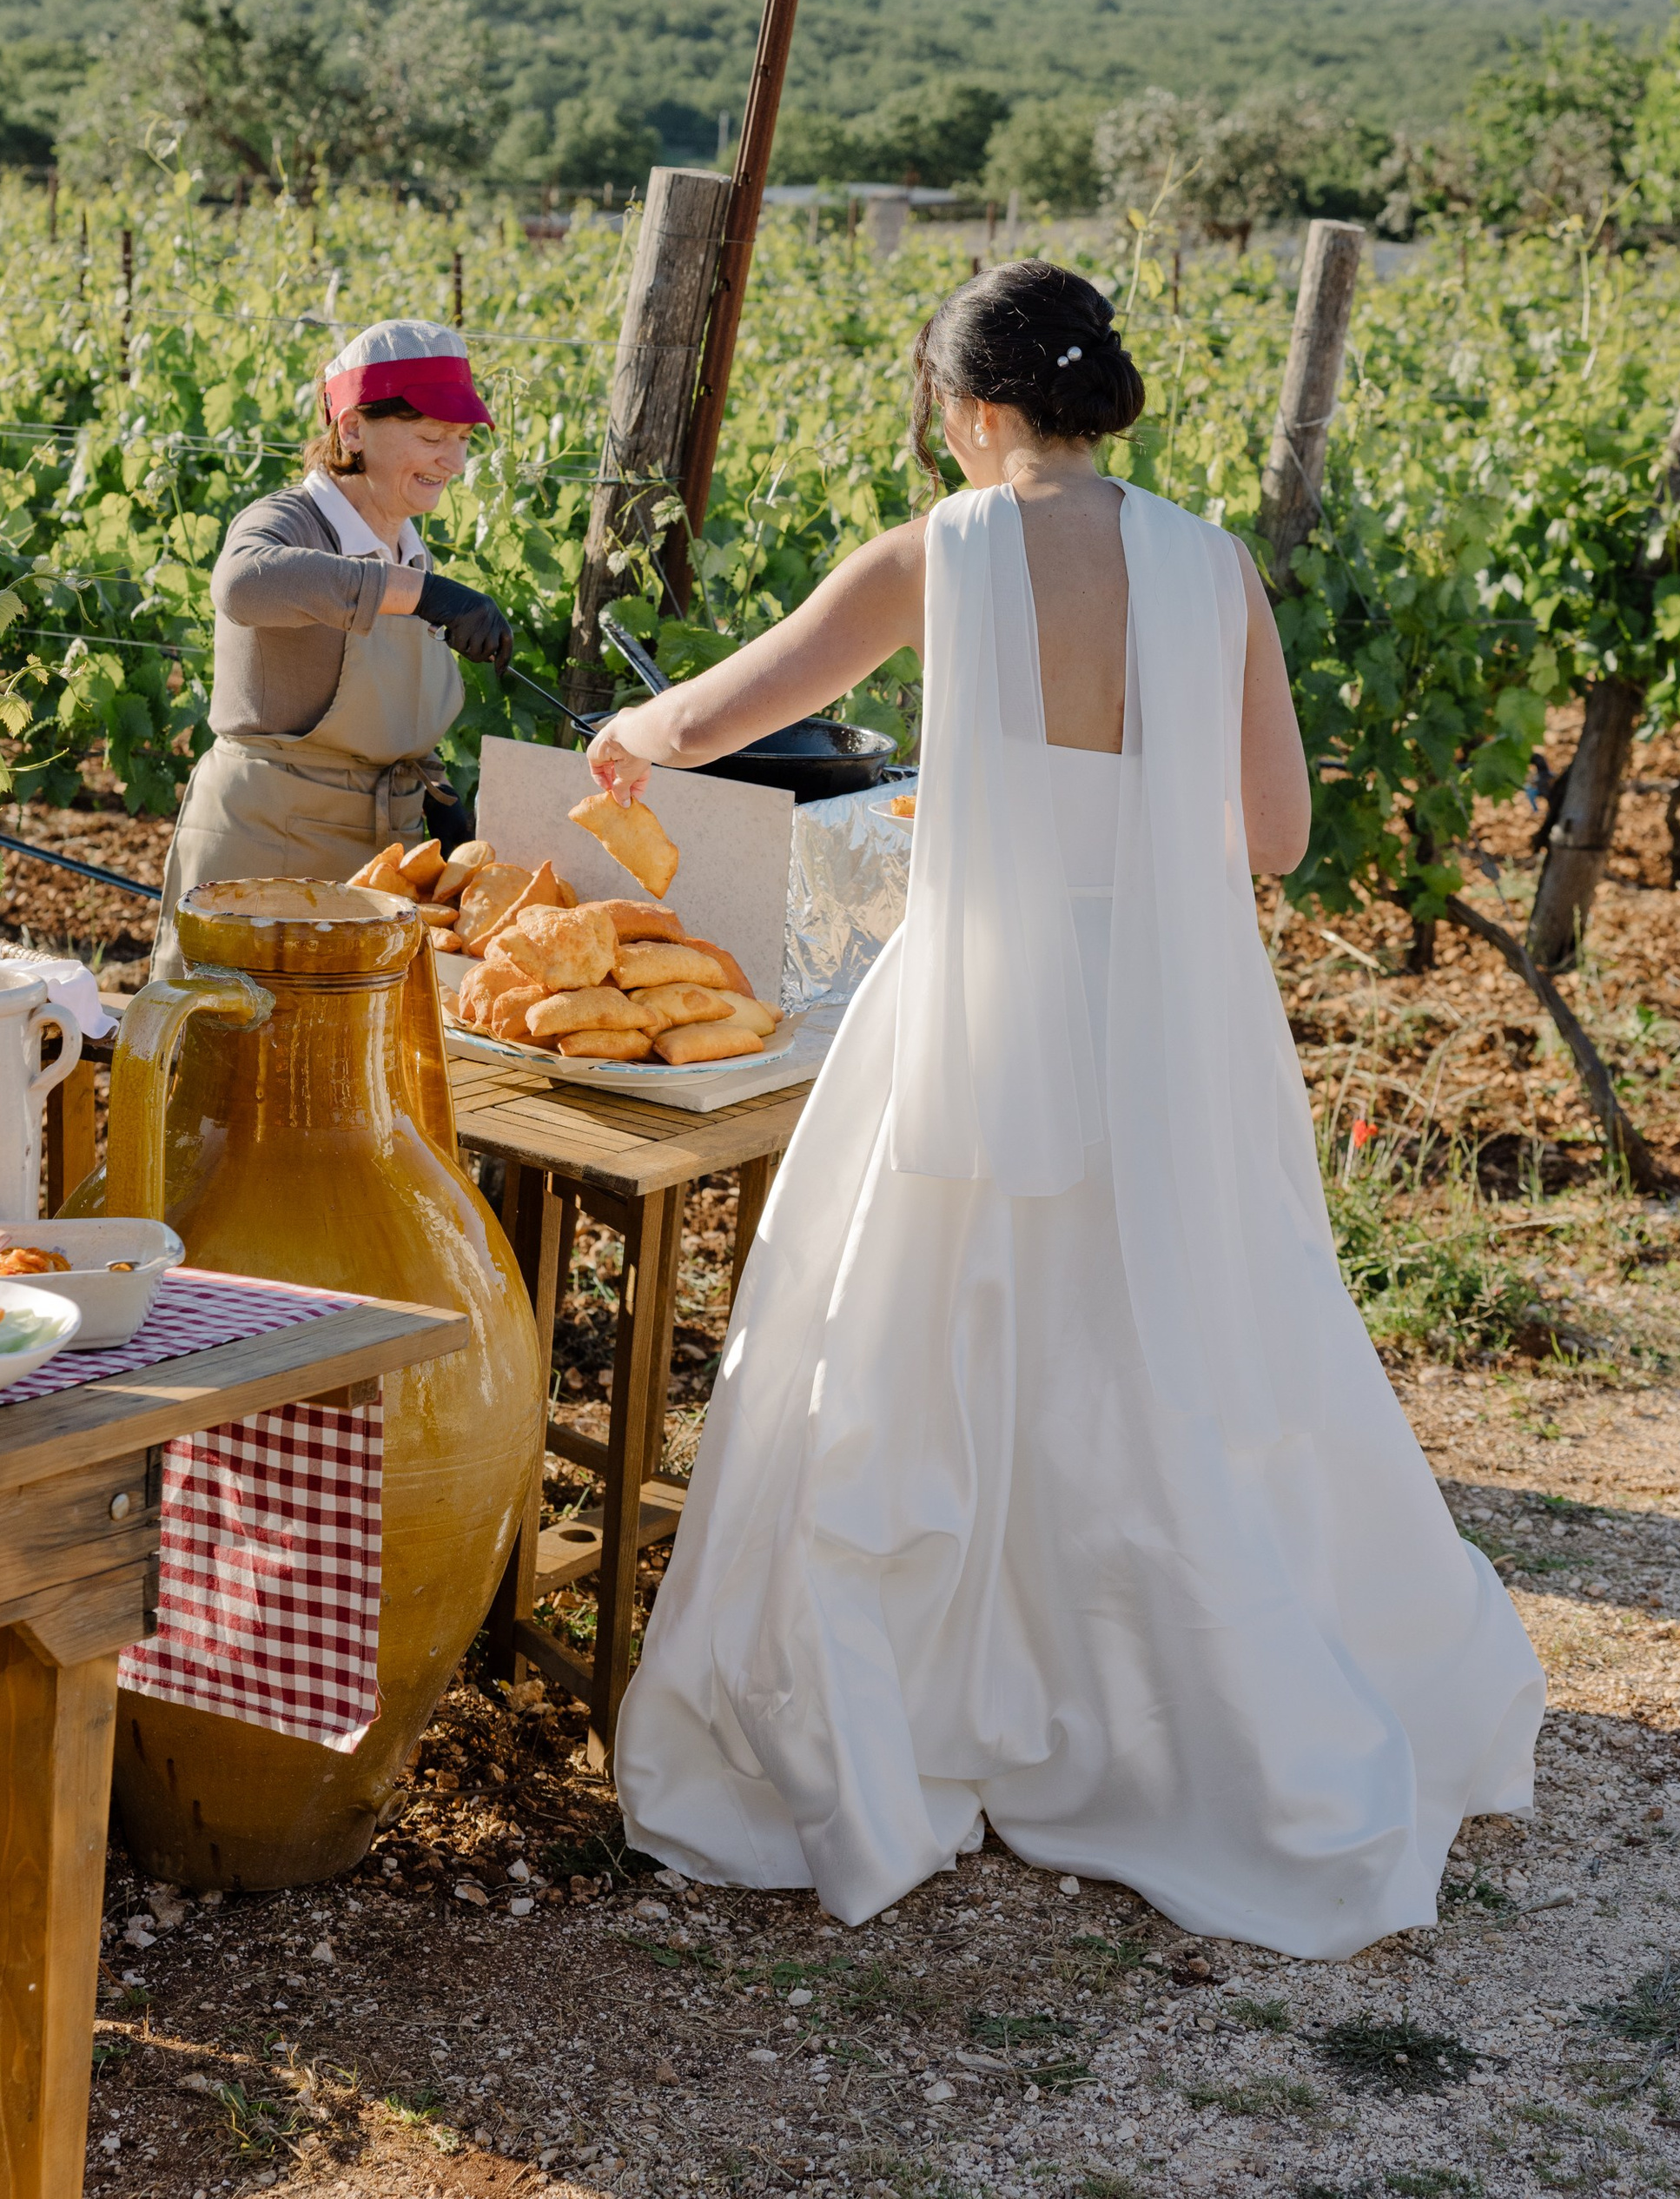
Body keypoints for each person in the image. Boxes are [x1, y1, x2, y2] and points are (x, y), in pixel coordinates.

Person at [594, 260, 1542, 1957]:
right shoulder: (1210, 564)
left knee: (914, 1334)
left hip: (975, 1005)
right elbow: (1268, 835)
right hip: (1165, 1019)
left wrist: (622, 731)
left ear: (969, 410)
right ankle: (1185, 1702)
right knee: (1171, 1335)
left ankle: (931, 1708)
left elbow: (717, 711)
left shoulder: (937, 556)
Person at [153, 316, 513, 970]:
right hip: (266, 859)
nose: (454, 462)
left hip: (380, 867)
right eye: (432, 437)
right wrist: (423, 595)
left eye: (461, 440)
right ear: (352, 429)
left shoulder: (406, 548)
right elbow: (241, 584)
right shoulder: (290, 520)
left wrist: (443, 806)